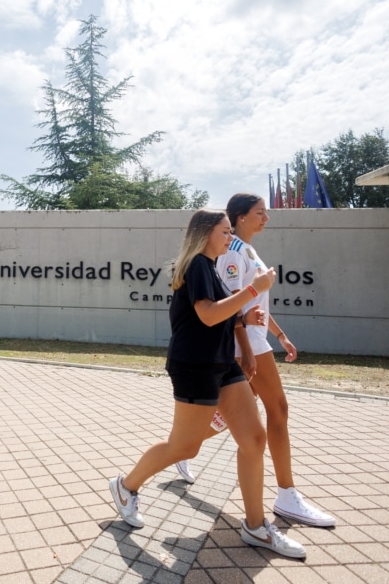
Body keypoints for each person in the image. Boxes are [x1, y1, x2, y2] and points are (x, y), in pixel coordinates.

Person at [109, 209, 307, 559]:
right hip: (195, 365)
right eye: (224, 231)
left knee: (254, 437)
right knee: (185, 447)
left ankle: (256, 526)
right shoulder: (198, 264)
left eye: (231, 231)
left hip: (222, 362)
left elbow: (222, 315)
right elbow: (207, 314)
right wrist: (254, 290)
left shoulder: (213, 268)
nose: (230, 237)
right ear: (204, 234)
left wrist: (245, 322)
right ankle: (126, 487)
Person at [174, 194, 335, 528]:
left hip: (255, 340)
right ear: (241, 217)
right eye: (260, 212)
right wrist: (246, 350)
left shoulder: (247, 251)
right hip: (241, 343)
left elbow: (255, 305)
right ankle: (286, 494)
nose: (267, 218)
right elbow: (229, 305)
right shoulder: (231, 254)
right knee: (278, 410)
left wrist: (280, 334)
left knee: (229, 418)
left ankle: (180, 450)